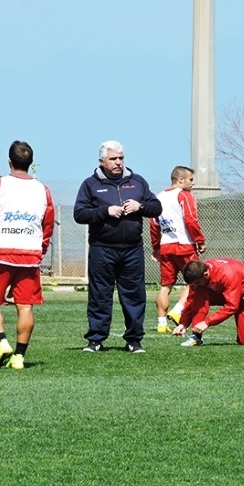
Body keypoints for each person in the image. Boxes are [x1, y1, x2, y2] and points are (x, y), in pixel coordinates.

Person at [0, 140, 55, 370]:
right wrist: (40, 249)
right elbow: (48, 224)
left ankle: (2, 342)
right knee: (25, 306)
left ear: (9, 161)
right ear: (30, 162)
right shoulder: (42, 189)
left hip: (0, 254)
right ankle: (19, 357)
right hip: (29, 255)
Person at [73, 140, 162, 353]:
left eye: (121, 158)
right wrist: (105, 211)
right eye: (113, 159)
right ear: (102, 161)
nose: (118, 163)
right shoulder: (90, 184)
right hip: (101, 248)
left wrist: (139, 206)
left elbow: (156, 207)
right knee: (99, 295)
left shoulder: (138, 181)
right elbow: (80, 214)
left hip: (132, 249)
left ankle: (134, 340)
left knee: (134, 295)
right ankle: (95, 340)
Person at [150, 165, 206, 333]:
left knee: (165, 286)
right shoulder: (184, 195)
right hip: (184, 245)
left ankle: (161, 324)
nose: (192, 183)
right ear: (180, 180)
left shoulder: (158, 197)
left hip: (166, 247)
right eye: (190, 180)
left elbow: (153, 224)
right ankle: (178, 310)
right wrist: (200, 240)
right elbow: (190, 219)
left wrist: (156, 247)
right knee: (195, 281)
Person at [171, 258, 244, 346]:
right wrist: (183, 324)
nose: (195, 285)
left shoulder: (227, 274)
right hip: (226, 293)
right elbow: (191, 299)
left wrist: (207, 322)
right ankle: (196, 337)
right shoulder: (200, 275)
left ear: (206, 274)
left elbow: (232, 306)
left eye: (197, 282)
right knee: (199, 292)